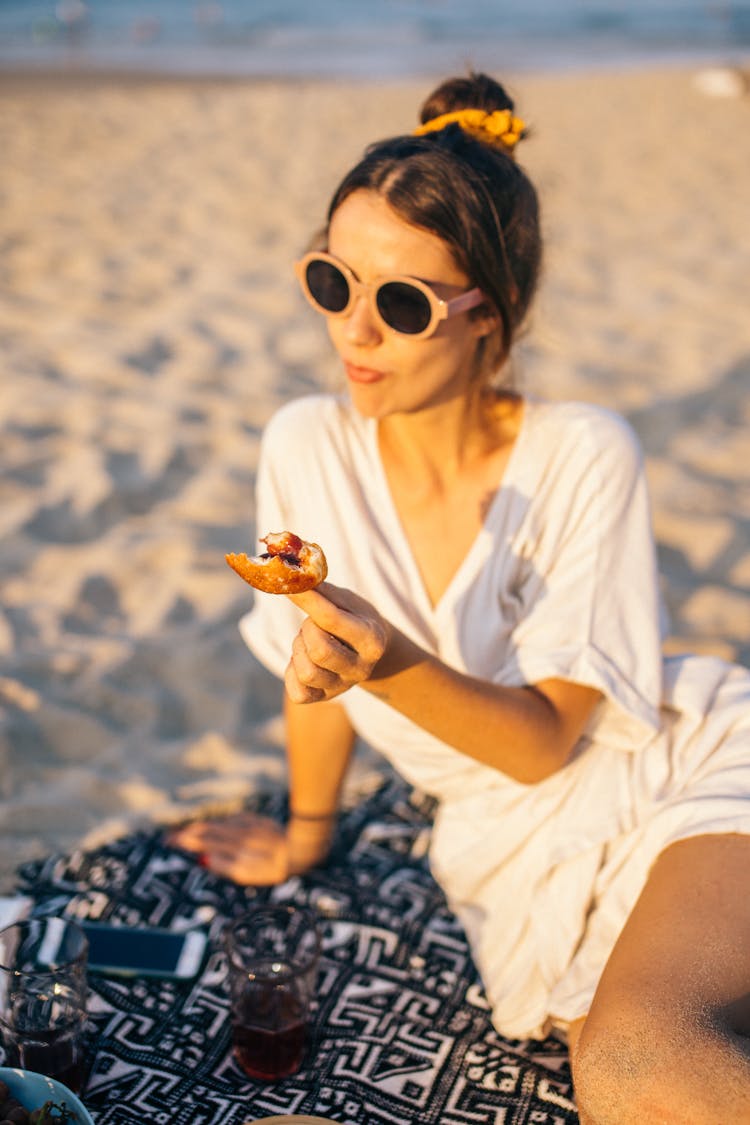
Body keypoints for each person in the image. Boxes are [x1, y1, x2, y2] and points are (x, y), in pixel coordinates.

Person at [170, 72, 750, 1122]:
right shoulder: (305, 444)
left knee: (635, 1053)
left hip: (681, 767)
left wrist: (383, 654)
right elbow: (315, 670)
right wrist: (307, 834)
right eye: (330, 280)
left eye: (400, 303)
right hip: (509, 850)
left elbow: (542, 745)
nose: (355, 333)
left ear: (492, 313)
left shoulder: (582, 455)